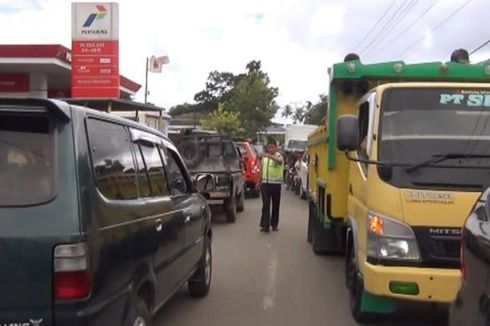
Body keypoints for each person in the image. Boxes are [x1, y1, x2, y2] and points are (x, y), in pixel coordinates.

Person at [256, 138, 284, 232]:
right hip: (265, 184)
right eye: (268, 147)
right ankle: (265, 225)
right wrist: (258, 182)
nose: (270, 149)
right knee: (266, 205)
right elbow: (261, 170)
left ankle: (274, 224)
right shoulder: (264, 158)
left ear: (276, 148)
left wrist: (269, 156)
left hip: (276, 185)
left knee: (275, 205)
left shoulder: (279, 156)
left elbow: (279, 161)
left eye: (272, 147)